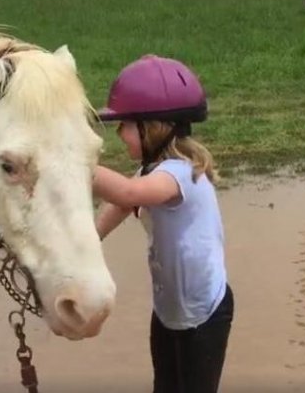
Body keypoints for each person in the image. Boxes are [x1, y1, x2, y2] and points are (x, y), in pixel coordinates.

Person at [93, 54, 233, 393]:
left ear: (152, 127)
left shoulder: (179, 174)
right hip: (169, 312)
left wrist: (73, 162)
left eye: (125, 125)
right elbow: (119, 207)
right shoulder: (151, 171)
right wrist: (87, 239)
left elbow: (127, 193)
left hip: (205, 315)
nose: (119, 132)